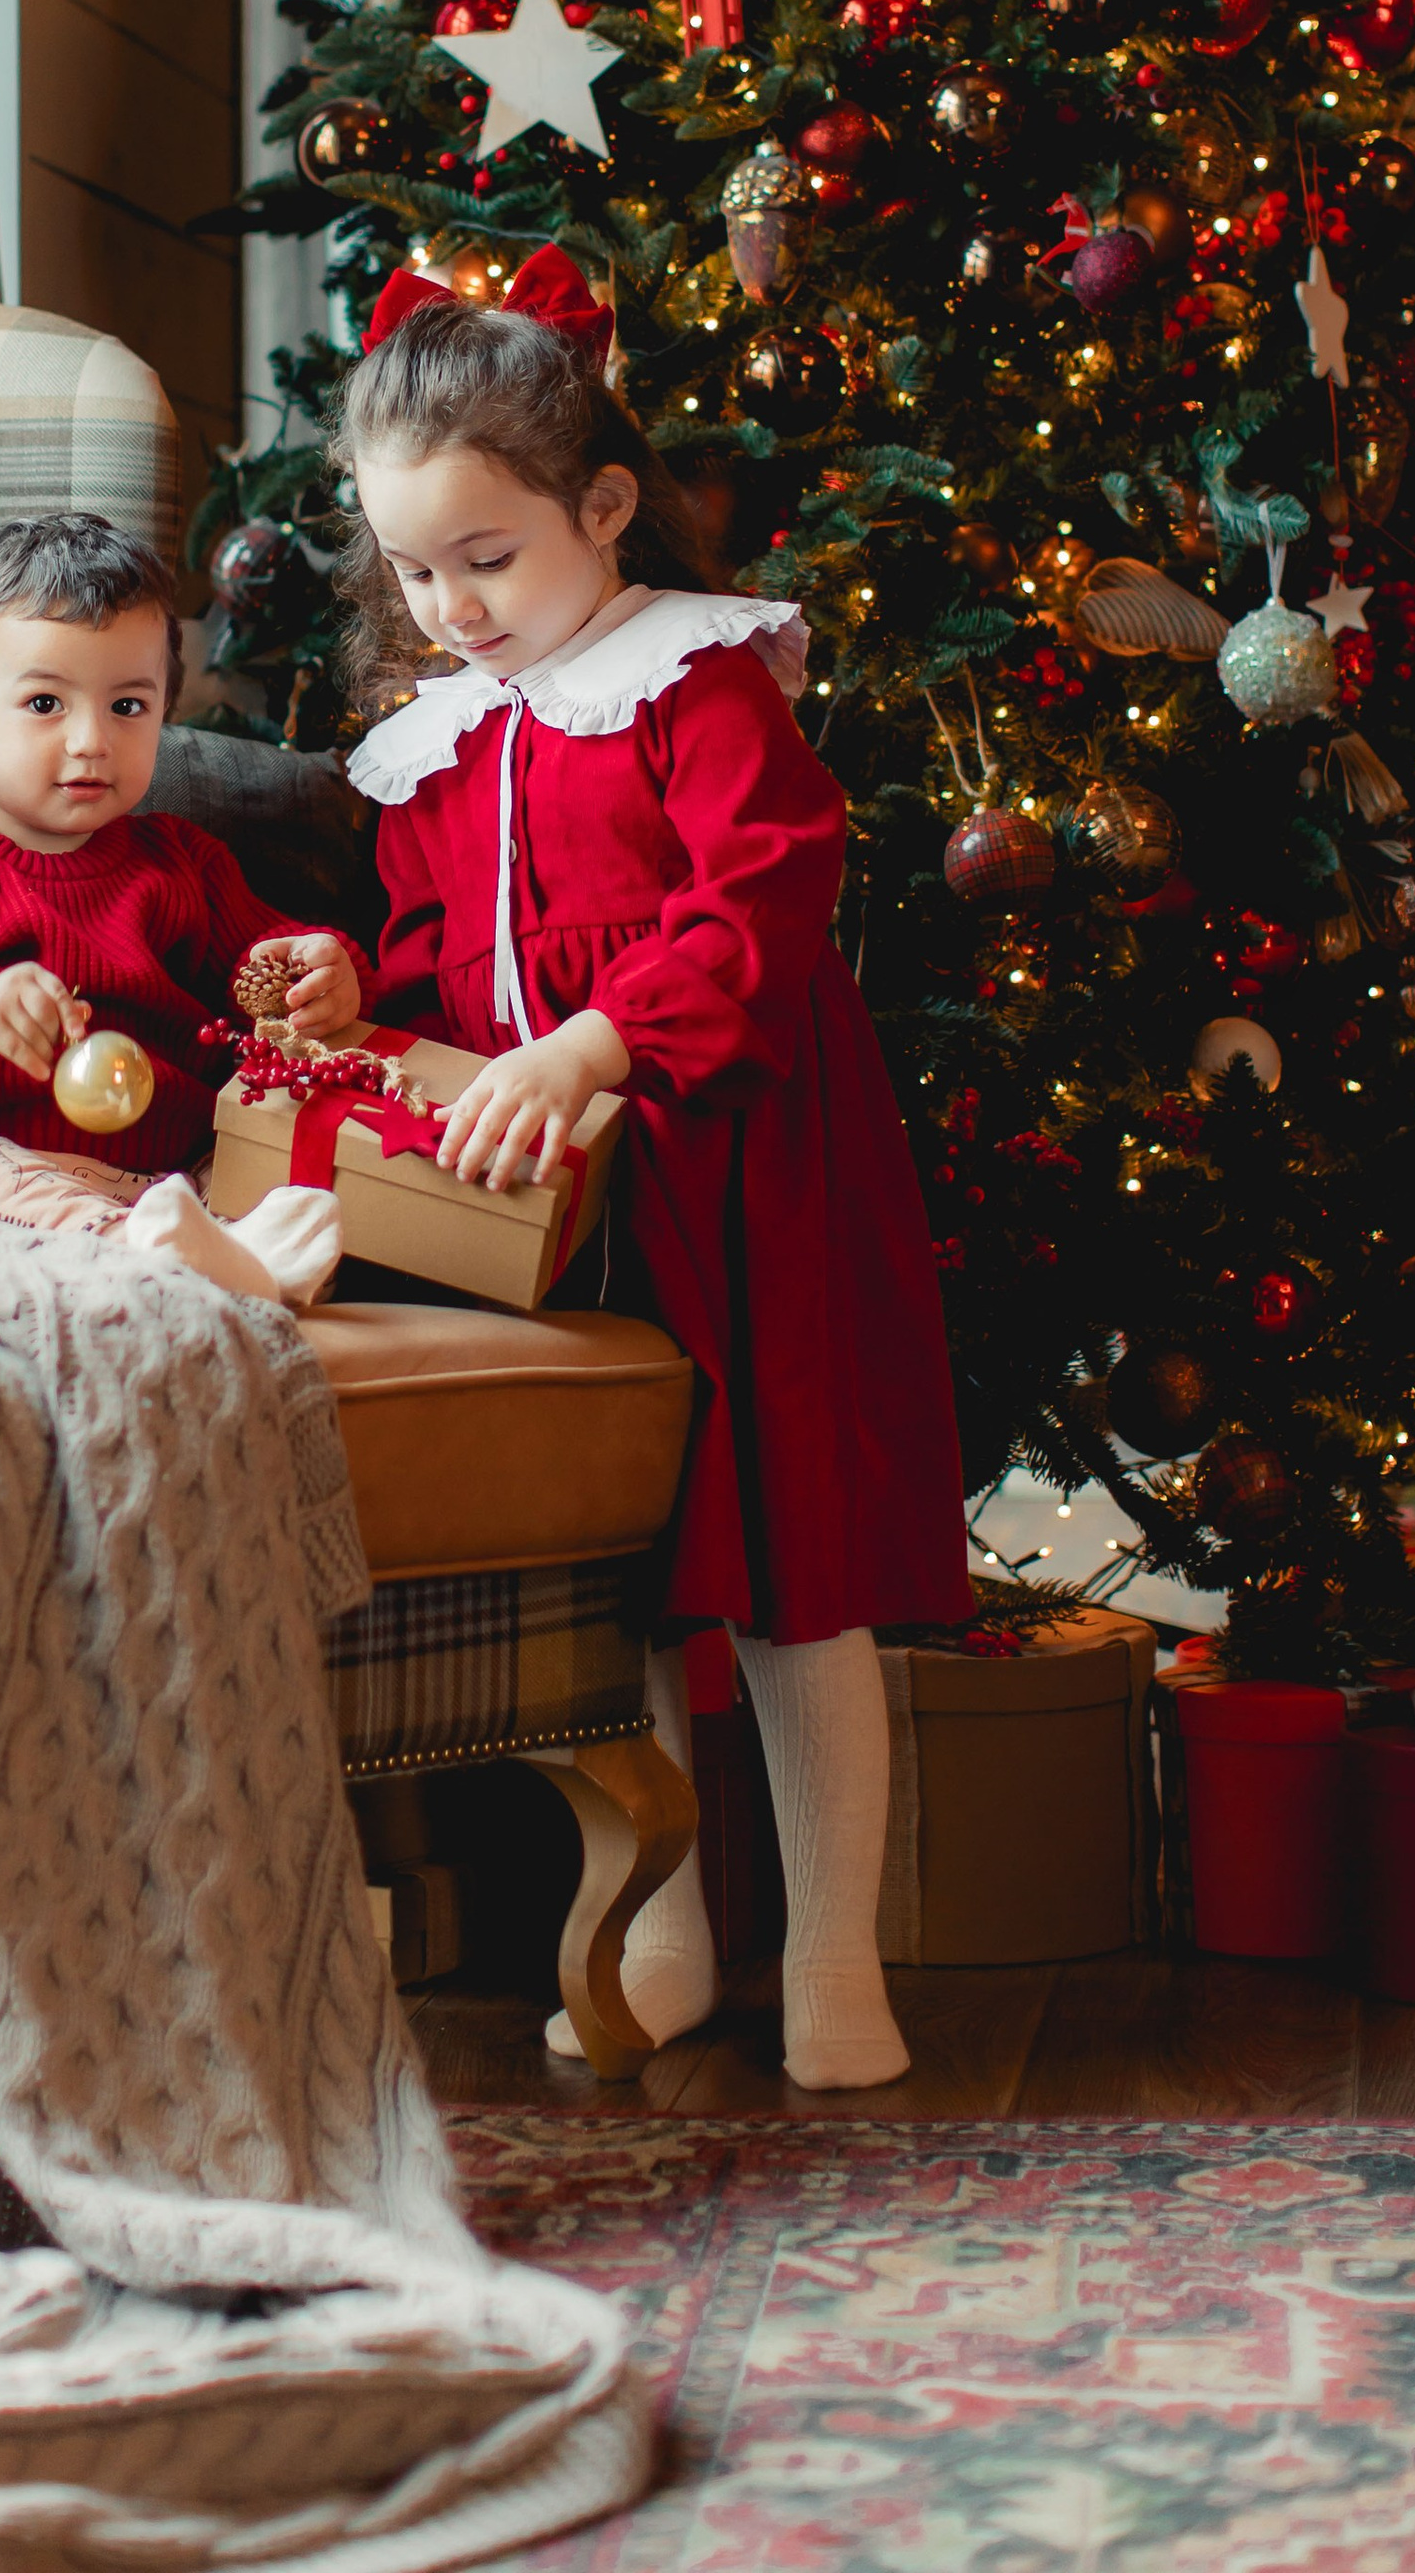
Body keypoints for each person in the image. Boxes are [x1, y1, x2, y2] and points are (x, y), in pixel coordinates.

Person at [336, 246, 971, 2089]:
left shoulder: (694, 679)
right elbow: (427, 965)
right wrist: (348, 998)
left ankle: (835, 1952)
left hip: (736, 1170)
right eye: (412, 573)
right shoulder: (441, 743)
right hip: (555, 1205)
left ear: (603, 507)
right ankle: (659, 1934)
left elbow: (763, 900)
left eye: (486, 559)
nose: (449, 609)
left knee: (786, 1569)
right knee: (622, 1562)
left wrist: (596, 1045)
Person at [0, 512, 362, 1313]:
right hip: (11, 1177)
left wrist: (318, 968)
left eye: (128, 707)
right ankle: (162, 1264)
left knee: (283, 1172)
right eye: (45, 702)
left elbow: (266, 958)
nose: (91, 741)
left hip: (178, 1177)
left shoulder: (180, 862)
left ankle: (209, 1257)